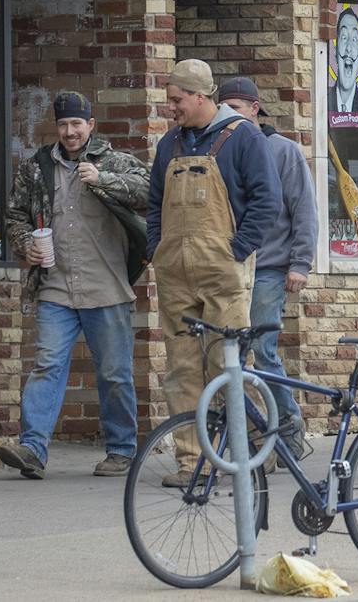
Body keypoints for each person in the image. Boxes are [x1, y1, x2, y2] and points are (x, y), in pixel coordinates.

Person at [0, 91, 149, 480]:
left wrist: (105, 179)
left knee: (115, 372)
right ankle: (32, 448)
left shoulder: (113, 160)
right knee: (46, 365)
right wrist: (24, 243)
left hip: (107, 286)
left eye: (76, 124)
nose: (69, 132)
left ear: (90, 125)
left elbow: (149, 192)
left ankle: (120, 450)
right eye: (63, 125)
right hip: (55, 286)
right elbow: (14, 214)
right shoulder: (36, 167)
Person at [148, 59, 281, 484]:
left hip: (223, 271)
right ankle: (192, 463)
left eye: (177, 99)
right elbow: (154, 205)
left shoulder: (244, 139)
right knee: (183, 370)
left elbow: (267, 201)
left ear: (201, 96)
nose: (171, 108)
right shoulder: (169, 145)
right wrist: (157, 249)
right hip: (175, 274)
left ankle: (252, 450)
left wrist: (237, 250)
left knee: (227, 368)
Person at [217, 74, 316, 460]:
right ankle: (249, 441)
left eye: (237, 109)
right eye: (224, 109)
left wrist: (301, 263)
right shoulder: (220, 147)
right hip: (229, 268)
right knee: (229, 357)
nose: (230, 117)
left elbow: (304, 209)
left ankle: (289, 432)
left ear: (255, 109)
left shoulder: (282, 151)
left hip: (271, 268)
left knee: (262, 349)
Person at [328, 6, 358, 126]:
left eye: (354, 39)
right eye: (344, 38)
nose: (348, 49)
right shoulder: (323, 103)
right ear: (335, 53)